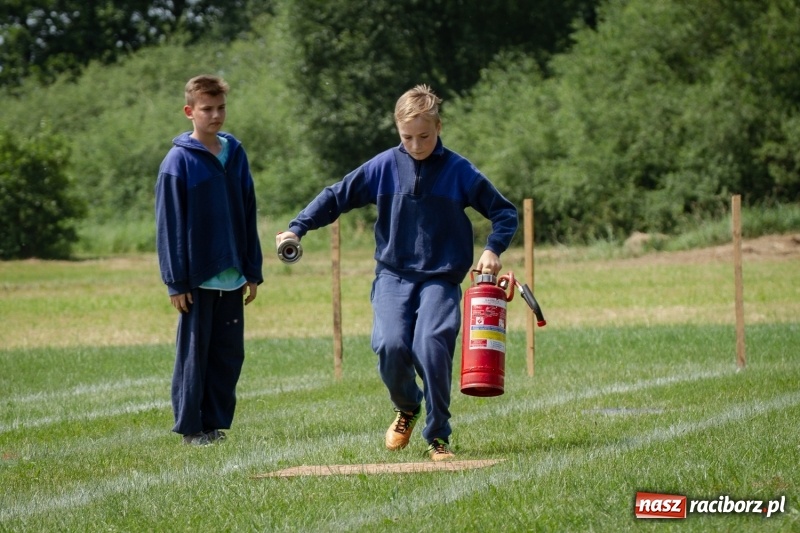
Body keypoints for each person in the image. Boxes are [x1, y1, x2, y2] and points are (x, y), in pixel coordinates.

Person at [277, 84, 518, 461]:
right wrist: (297, 227)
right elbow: (337, 196)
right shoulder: (384, 166)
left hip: (441, 277)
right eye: (407, 137)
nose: (416, 145)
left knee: (431, 346)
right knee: (390, 345)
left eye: (424, 136)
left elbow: (504, 212)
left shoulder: (459, 171)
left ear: (439, 127)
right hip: (392, 276)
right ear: (397, 131)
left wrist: (492, 249)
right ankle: (407, 406)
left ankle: (438, 436)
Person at [155, 74, 264, 446]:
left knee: (228, 354)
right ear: (190, 111)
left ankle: (213, 425)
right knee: (194, 357)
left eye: (220, 108)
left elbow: (248, 211)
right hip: (196, 279)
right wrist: (175, 281)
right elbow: (168, 226)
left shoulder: (235, 154)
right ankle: (191, 428)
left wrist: (252, 269)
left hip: (233, 275)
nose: (215, 115)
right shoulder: (177, 162)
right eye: (206, 109)